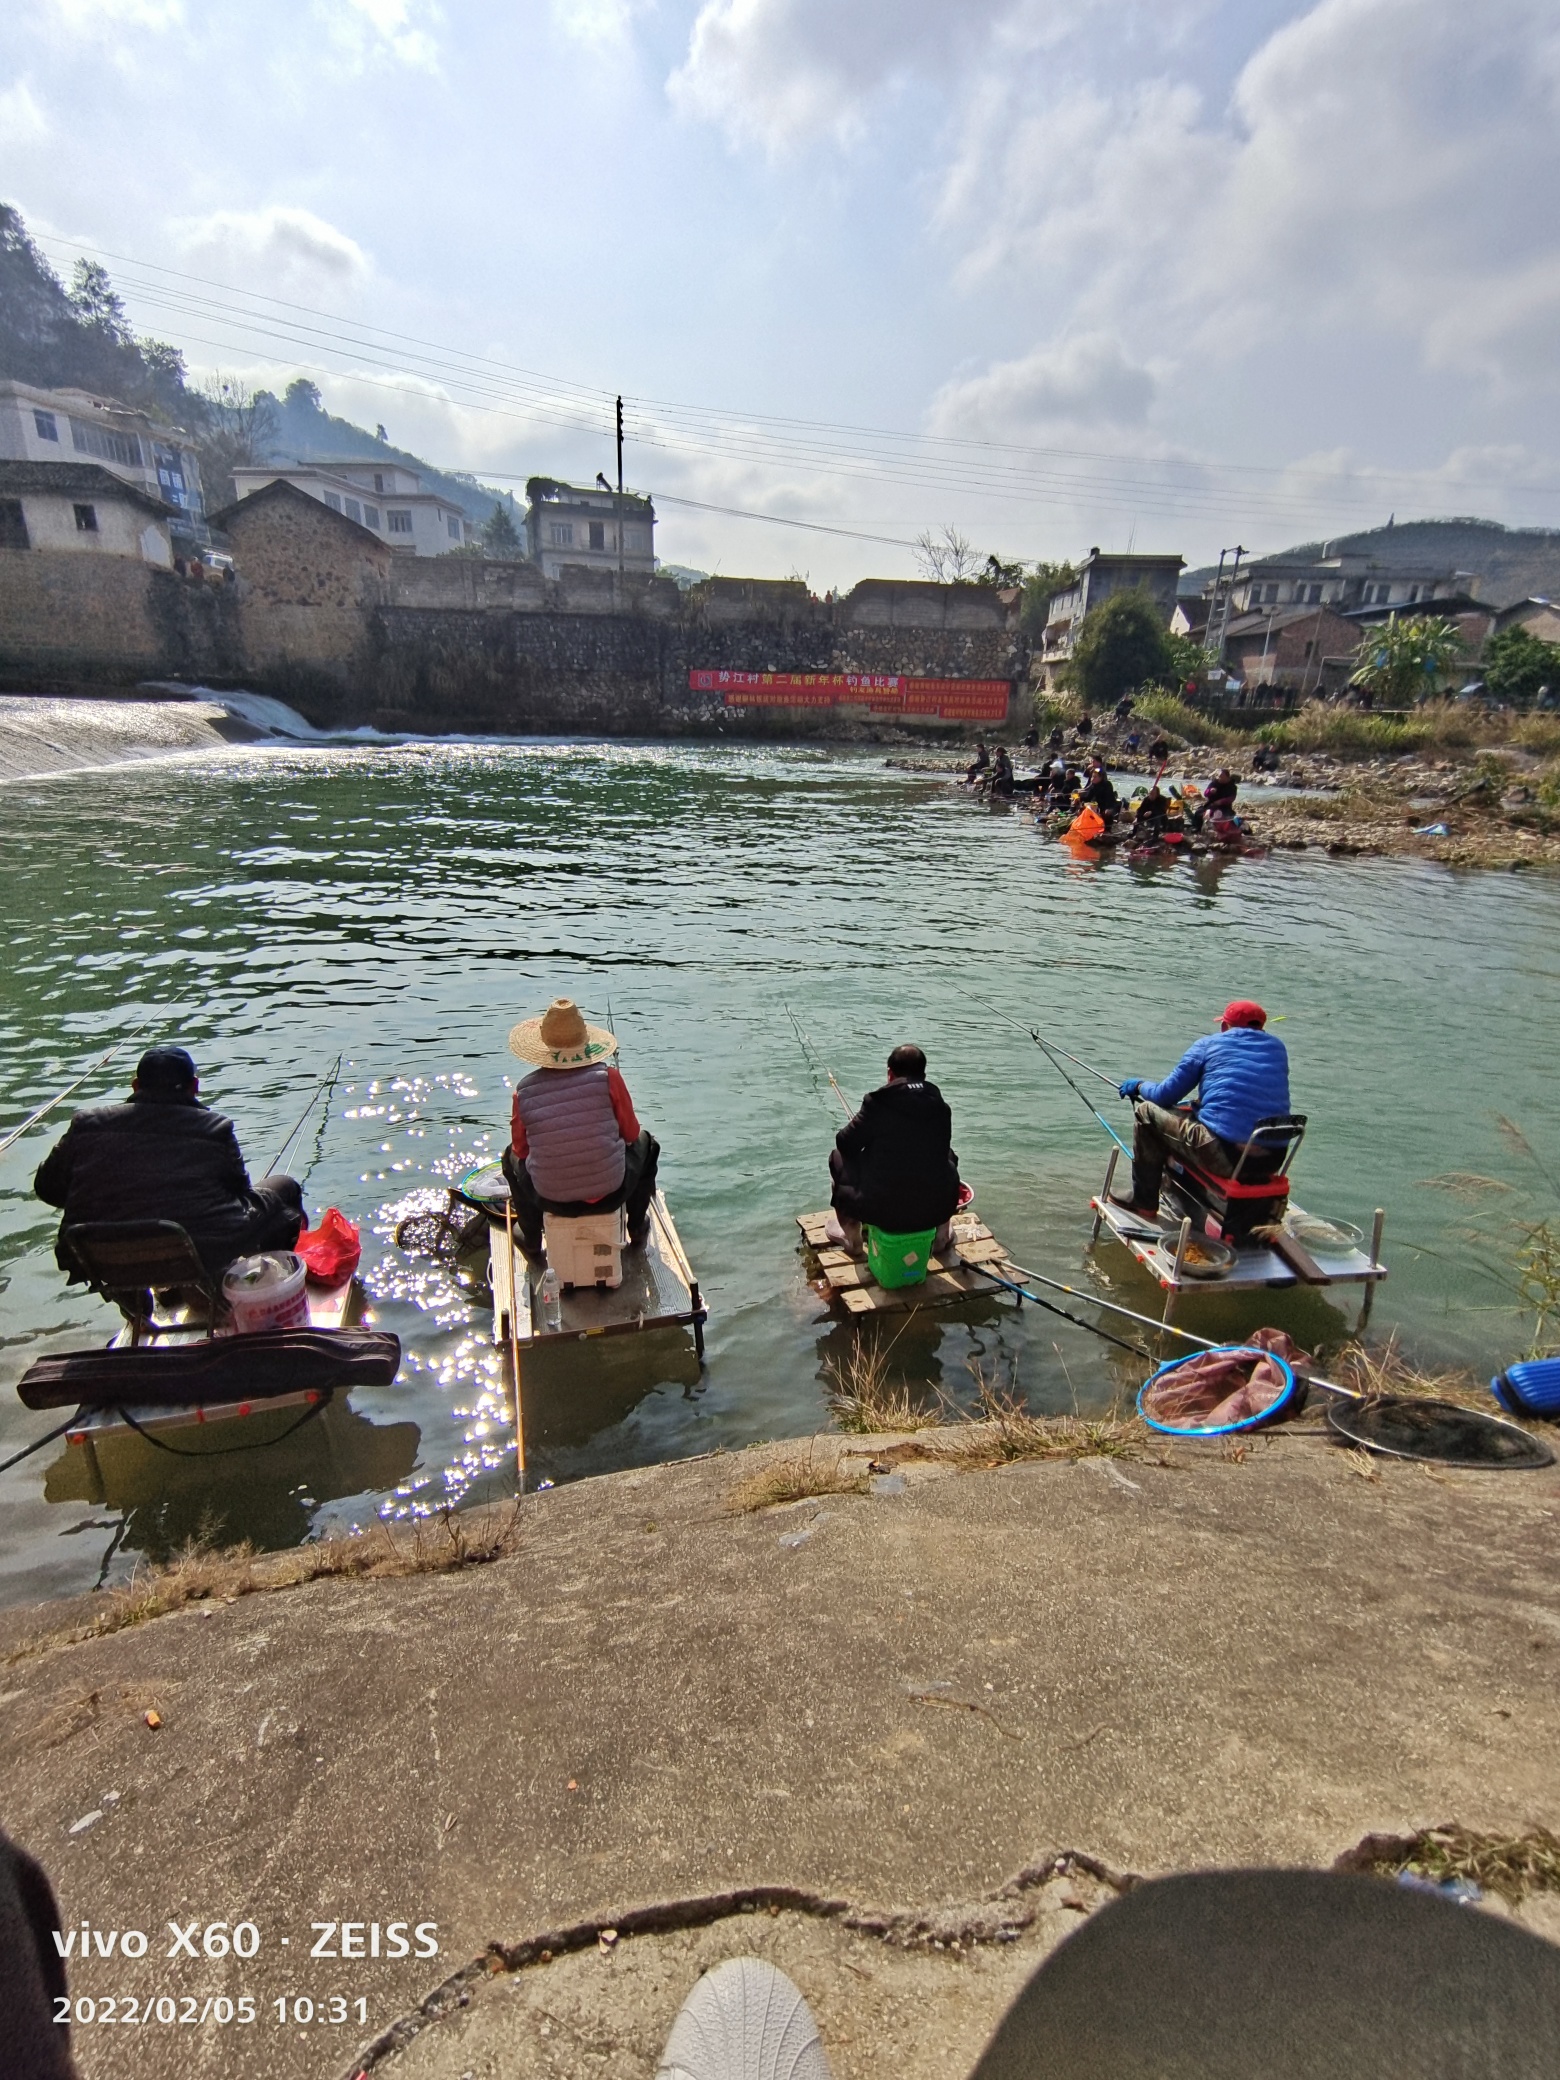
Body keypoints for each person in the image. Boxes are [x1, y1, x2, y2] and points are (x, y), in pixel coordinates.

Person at [34, 1045, 303, 1280]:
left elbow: (48, 1189)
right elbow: (240, 1193)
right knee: (284, 1189)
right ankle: (270, 1286)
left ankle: (138, 1309)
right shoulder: (214, 1128)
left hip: (98, 1257)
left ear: (136, 1086)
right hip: (196, 1250)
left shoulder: (85, 1124)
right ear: (194, 1087)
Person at [503, 998, 659, 1263]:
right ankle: (636, 1226)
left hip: (550, 1198)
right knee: (648, 1144)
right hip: (612, 1191)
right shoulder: (609, 1078)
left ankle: (530, 1240)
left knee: (509, 1159)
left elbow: (521, 1149)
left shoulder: (524, 1091)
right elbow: (632, 1135)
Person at [1112, 1000, 1290, 1215]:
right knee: (1189, 1112)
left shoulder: (1208, 1045)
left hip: (1227, 1158)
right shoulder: (1278, 1048)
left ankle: (1144, 1201)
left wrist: (1139, 1086)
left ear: (1225, 1026)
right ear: (1262, 1027)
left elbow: (1164, 1095)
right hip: (1272, 1159)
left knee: (1146, 1112)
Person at [828, 1044, 961, 1259]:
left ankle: (852, 1240)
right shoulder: (941, 1107)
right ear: (924, 1075)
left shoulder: (877, 1103)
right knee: (947, 1155)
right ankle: (941, 1237)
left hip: (882, 1212)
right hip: (934, 1208)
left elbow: (845, 1143)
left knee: (837, 1158)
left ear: (890, 1073)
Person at [1193, 766, 1238, 832]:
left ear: (1227, 777)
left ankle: (1220, 830)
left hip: (1224, 807)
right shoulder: (1215, 783)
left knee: (1220, 815)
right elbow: (1205, 793)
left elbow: (1231, 798)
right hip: (1211, 804)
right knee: (1199, 812)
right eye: (1219, 776)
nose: (1220, 778)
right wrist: (1210, 791)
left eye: (1222, 776)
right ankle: (1197, 828)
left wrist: (1221, 801)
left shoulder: (1232, 786)